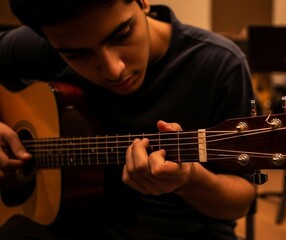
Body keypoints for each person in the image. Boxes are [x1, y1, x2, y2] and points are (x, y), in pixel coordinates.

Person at [0, 0, 257, 239]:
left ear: (143, 2)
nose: (114, 69)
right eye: (77, 55)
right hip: (70, 219)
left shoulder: (220, 64)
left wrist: (190, 180)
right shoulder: (43, 46)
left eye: (121, 35)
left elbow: (240, 201)